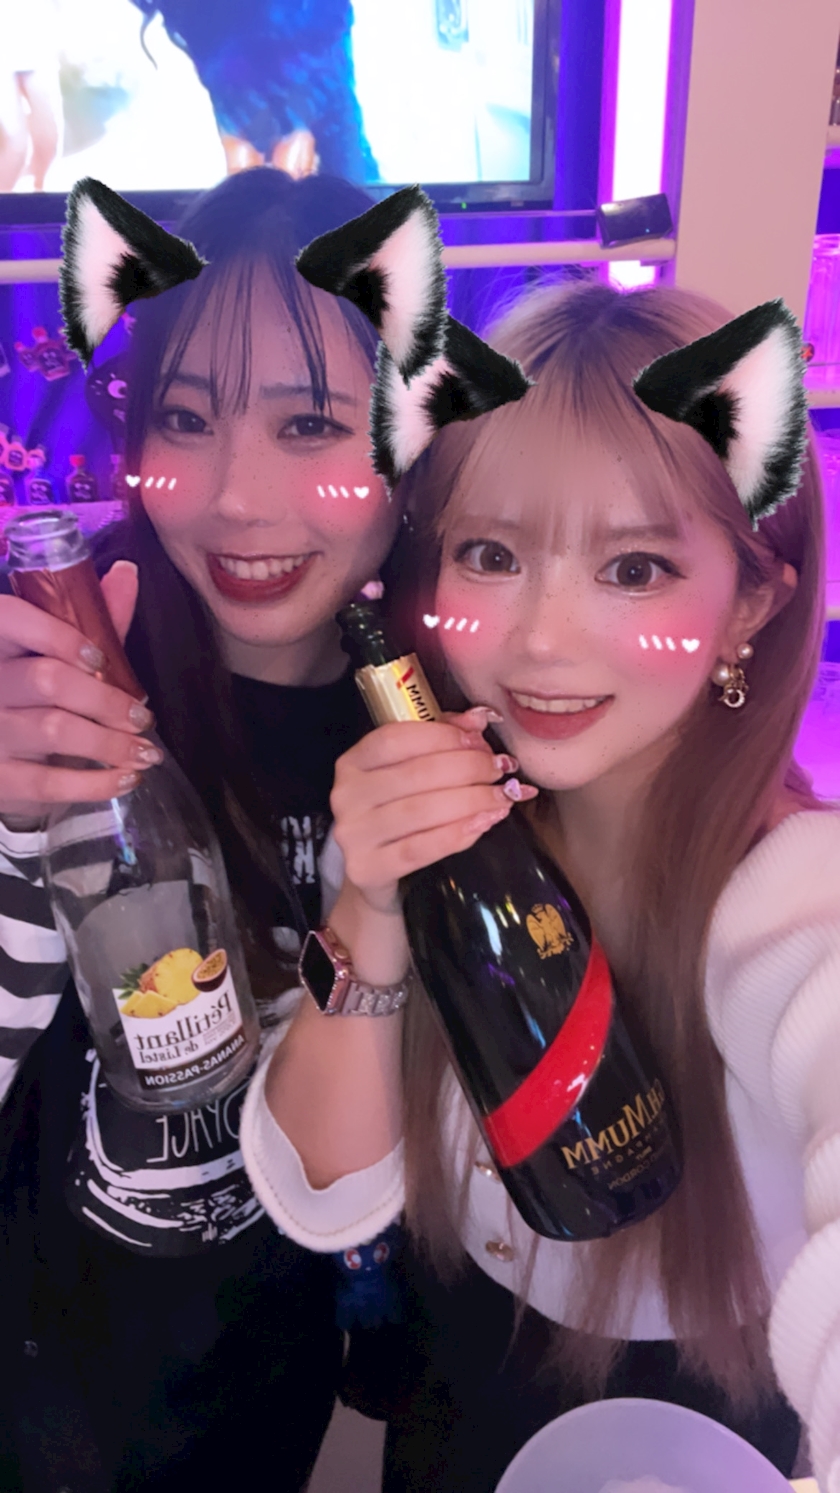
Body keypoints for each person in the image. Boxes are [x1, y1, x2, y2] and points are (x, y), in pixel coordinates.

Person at [240, 193, 840, 1493]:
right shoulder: (443, 824)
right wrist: (374, 910)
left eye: (634, 568)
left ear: (751, 603)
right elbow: (324, 1193)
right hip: (450, 1421)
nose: (541, 641)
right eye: (491, 553)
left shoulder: (796, 899)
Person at [0, 166, 402, 1492]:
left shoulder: (442, 722)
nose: (233, 497)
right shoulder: (56, 662)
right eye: (186, 417)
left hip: (261, 1425)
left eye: (311, 425)